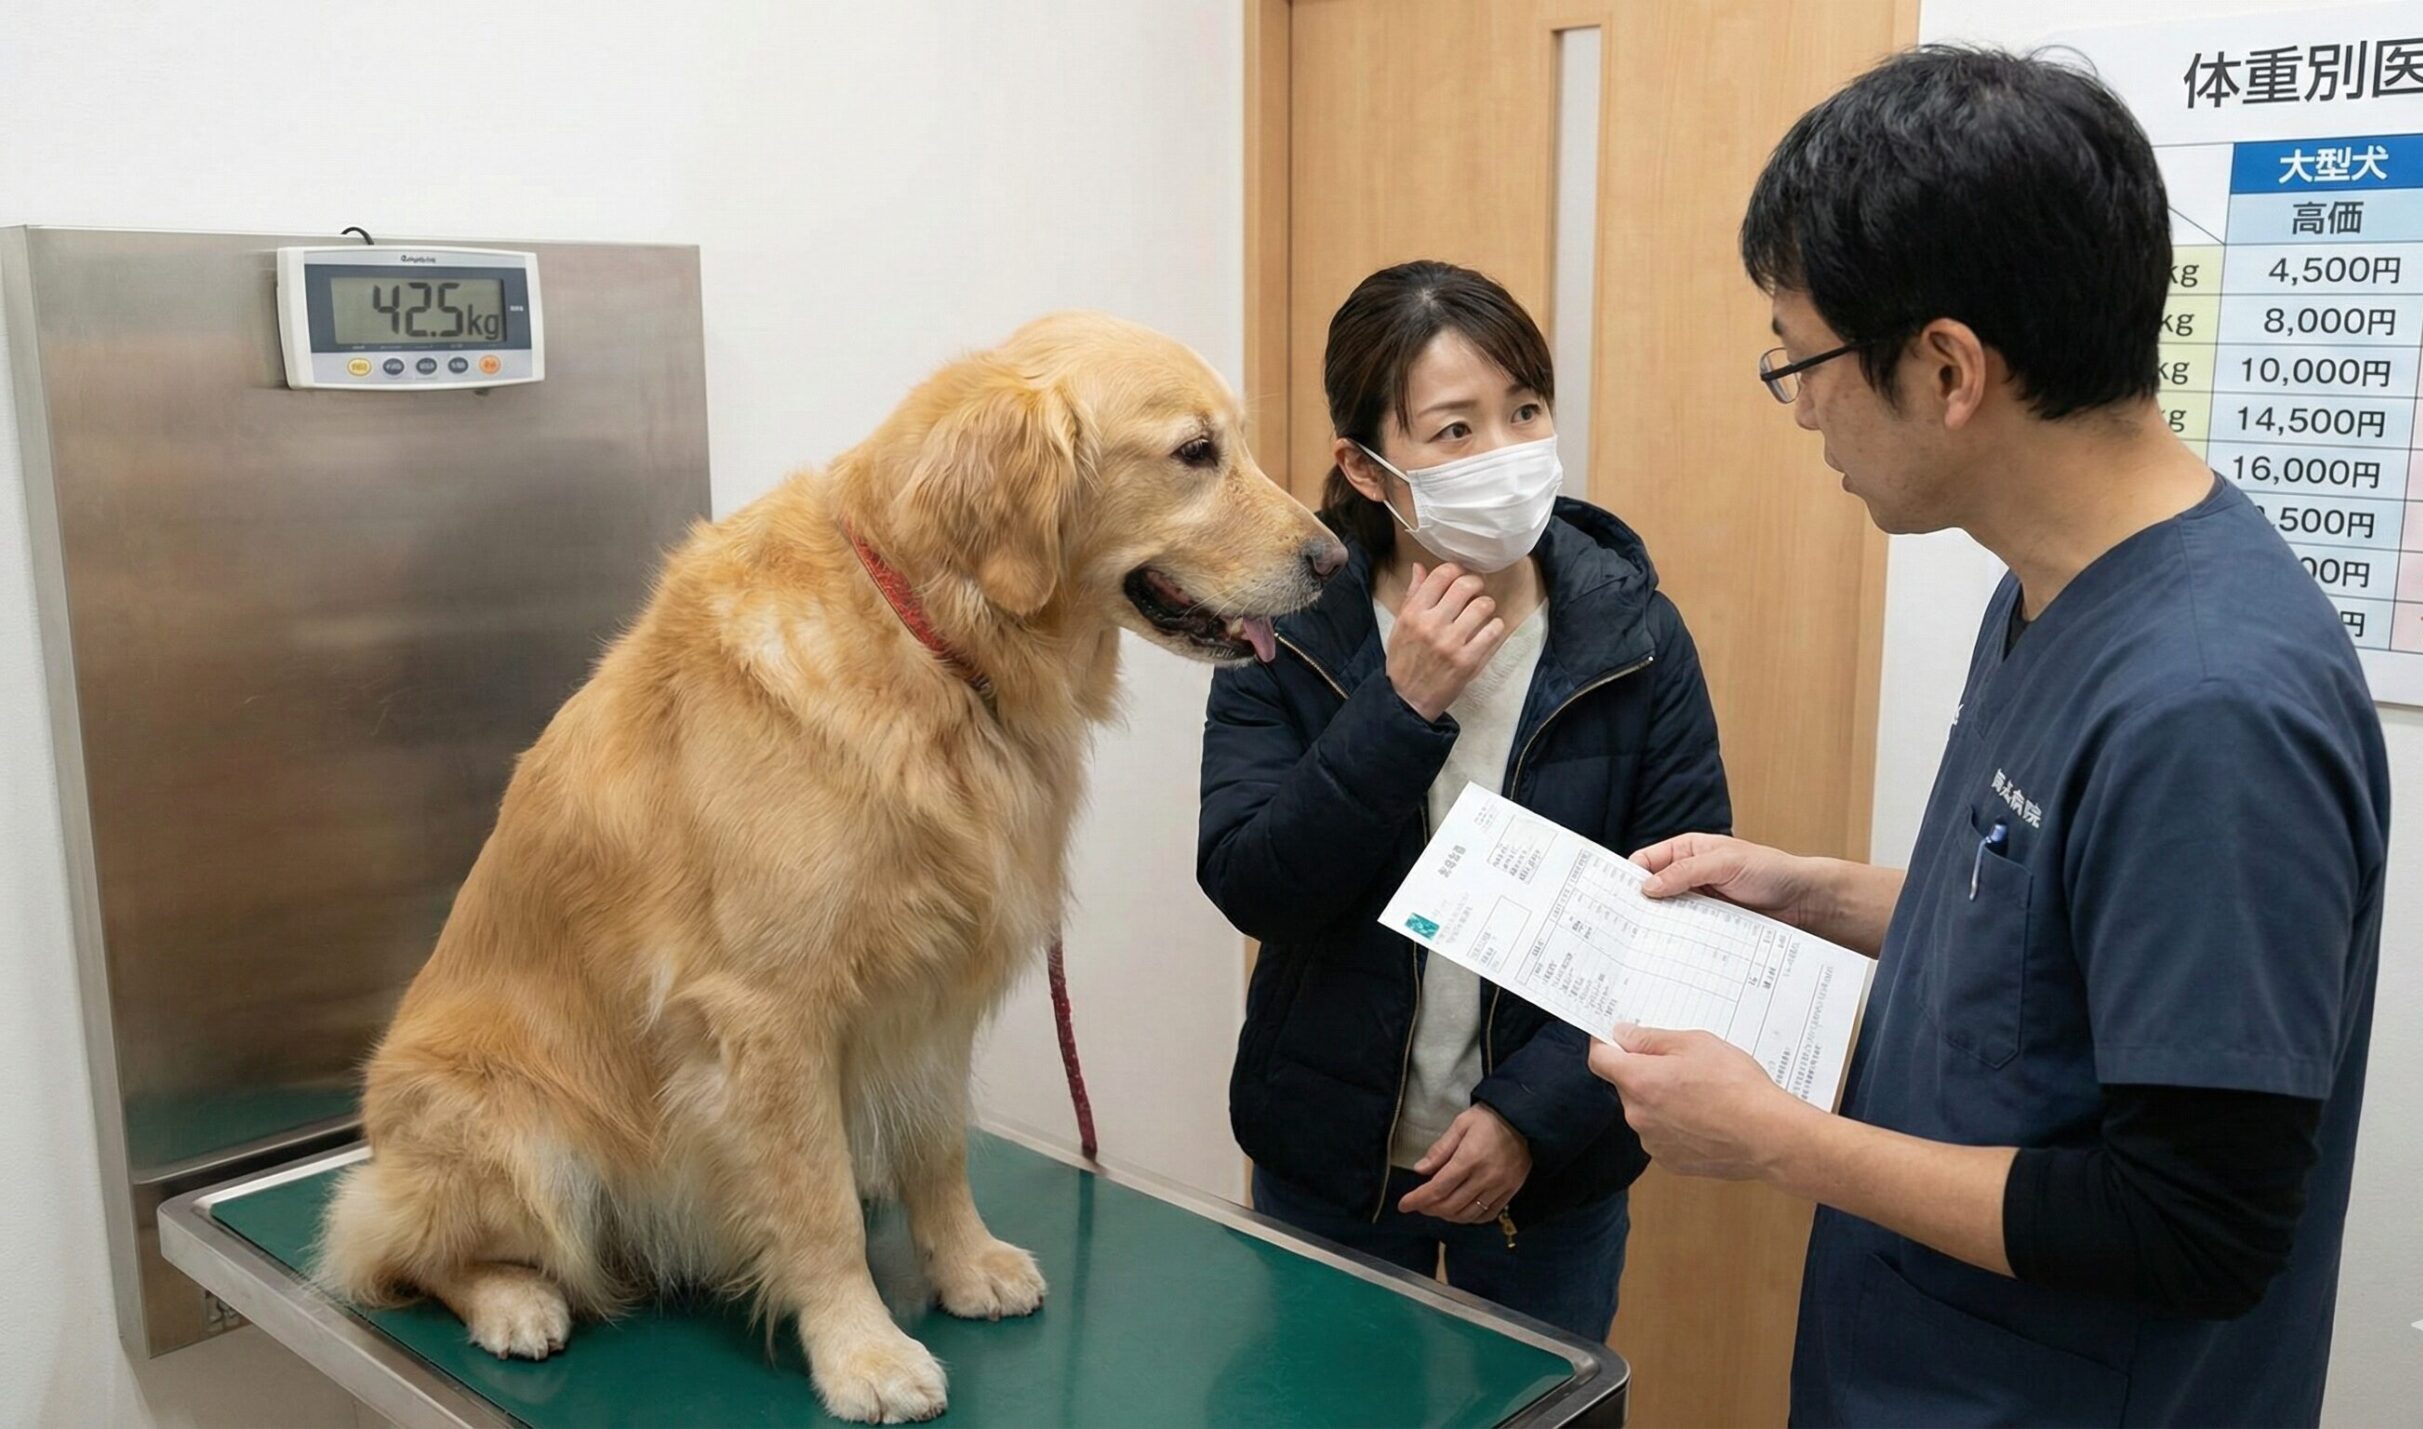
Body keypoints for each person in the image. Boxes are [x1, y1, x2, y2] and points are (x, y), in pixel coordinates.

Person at [1586, 47, 2388, 1426]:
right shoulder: (2047, 583)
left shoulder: (2209, 704)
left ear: (1947, 366)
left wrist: (1779, 1141)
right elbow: (2055, 936)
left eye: (1803, 357)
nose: (1798, 407)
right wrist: (1808, 889)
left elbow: (2190, 1222)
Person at [1197, 259, 1730, 1340]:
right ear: (1363, 464)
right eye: (1453, 430)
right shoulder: (1286, 630)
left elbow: (1681, 917)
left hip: (1552, 1174)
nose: (1505, 454)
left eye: (1523, 411)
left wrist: (1527, 1119)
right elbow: (1254, 882)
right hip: (1332, 1159)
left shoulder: (1633, 637)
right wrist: (1398, 707)